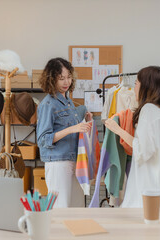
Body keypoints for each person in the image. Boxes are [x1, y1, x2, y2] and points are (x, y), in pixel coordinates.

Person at [104, 66, 160, 208]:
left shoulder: (148, 110)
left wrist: (118, 130)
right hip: (158, 184)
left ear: (146, 86)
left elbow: (143, 150)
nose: (134, 87)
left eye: (136, 83)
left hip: (146, 185)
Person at [37, 57, 92, 208]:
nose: (66, 82)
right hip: (58, 163)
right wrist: (72, 129)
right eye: (61, 78)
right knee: (60, 209)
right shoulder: (48, 104)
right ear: (51, 79)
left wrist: (85, 117)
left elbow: (73, 119)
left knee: (77, 208)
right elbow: (43, 140)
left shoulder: (68, 102)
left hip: (74, 161)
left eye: (68, 77)